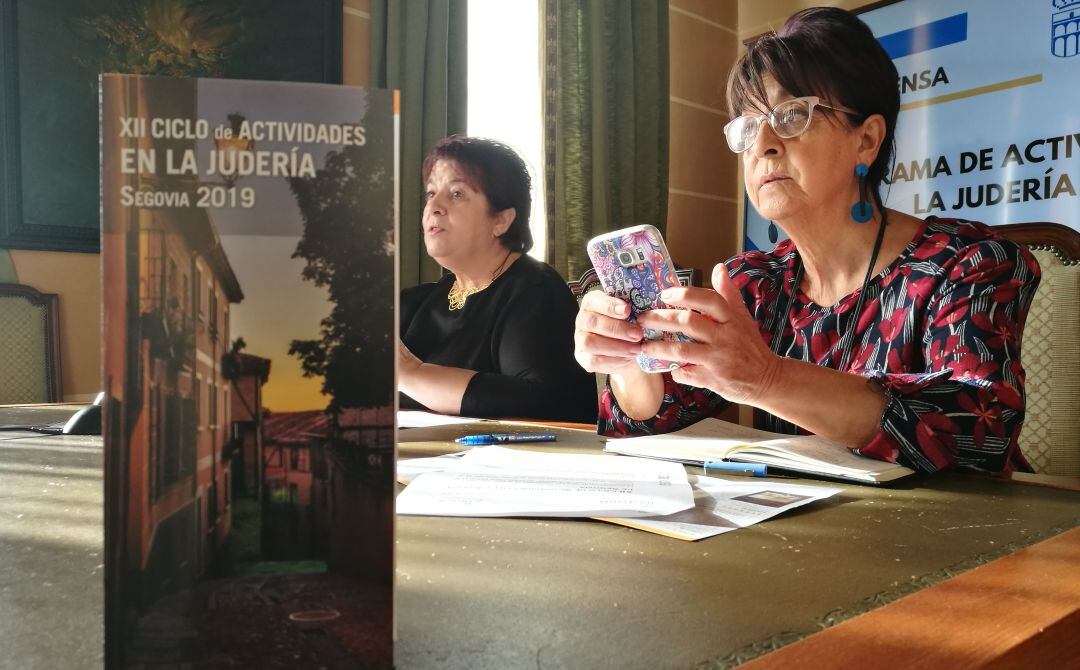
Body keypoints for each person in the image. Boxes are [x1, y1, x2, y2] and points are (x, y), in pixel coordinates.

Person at [573, 7, 1040, 474]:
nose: (763, 144)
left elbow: (979, 433)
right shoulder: (754, 284)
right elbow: (652, 416)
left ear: (867, 140)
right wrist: (630, 354)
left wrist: (767, 377)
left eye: (792, 114)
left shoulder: (970, 263)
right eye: (748, 127)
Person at [399, 135, 598, 423]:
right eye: (431, 193)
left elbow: (545, 400)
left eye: (456, 194)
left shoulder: (535, 290)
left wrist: (411, 374)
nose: (434, 206)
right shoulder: (413, 303)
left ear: (501, 220)